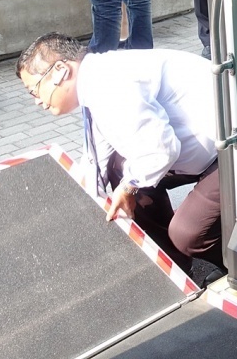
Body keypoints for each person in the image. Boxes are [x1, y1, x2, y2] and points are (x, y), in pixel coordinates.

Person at [16, 33, 223, 275]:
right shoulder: (96, 79)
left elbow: (162, 150)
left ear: (61, 69)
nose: (37, 102)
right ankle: (173, 263)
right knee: (119, 167)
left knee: (186, 233)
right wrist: (79, 209)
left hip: (232, 149)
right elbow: (98, 161)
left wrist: (128, 187)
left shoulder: (109, 84)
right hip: (198, 149)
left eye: (34, 90)